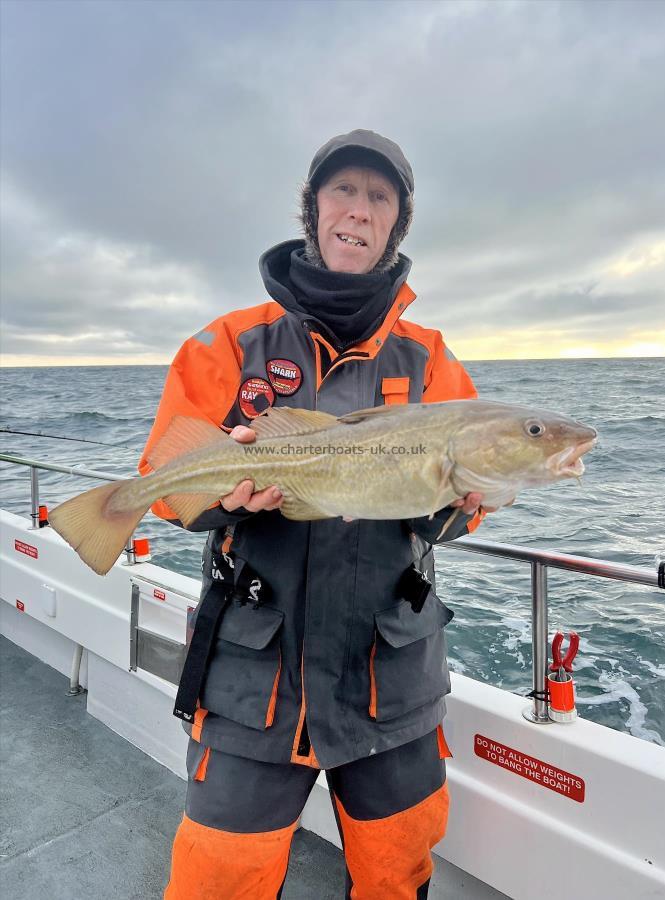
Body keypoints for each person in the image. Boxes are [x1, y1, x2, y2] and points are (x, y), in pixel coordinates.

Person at [140, 129, 497, 899]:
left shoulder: (431, 359)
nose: (357, 212)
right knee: (218, 881)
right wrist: (215, 494)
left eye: (378, 198)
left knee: (397, 875)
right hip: (252, 674)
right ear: (312, 208)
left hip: (387, 675)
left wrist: (463, 506)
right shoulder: (226, 342)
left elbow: (450, 518)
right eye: (343, 192)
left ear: (395, 222)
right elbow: (165, 485)